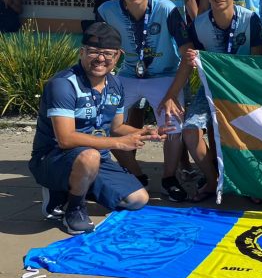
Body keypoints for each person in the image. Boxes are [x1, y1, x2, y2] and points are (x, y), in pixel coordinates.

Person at [28, 23, 166, 235]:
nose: (100, 59)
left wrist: (143, 132)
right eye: (93, 52)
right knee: (90, 156)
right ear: (81, 52)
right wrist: (118, 143)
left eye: (108, 54)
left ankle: (74, 187)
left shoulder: (115, 84)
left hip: (94, 159)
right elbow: (65, 139)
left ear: (118, 56)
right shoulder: (63, 84)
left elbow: (117, 127)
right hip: (53, 158)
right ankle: (73, 207)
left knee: (138, 199)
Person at [160, 0, 262, 202]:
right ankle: (215, 180)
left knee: (245, 133)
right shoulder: (199, 24)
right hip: (210, 89)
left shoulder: (250, 20)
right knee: (190, 132)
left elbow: (257, 62)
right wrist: (171, 95)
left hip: (241, 91)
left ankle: (248, 183)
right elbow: (188, 62)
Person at [97, 0, 191, 202]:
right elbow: (104, 49)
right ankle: (135, 175)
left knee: (173, 123)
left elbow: (188, 55)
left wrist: (171, 95)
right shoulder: (107, 10)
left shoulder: (166, 9)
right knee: (105, 122)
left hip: (164, 75)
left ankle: (169, 177)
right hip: (128, 75)